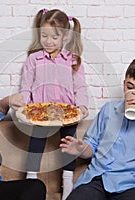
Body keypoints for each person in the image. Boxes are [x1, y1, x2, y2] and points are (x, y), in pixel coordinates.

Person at [60, 57, 135, 200]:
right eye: (130, 87)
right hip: (96, 180)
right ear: (124, 84)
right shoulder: (108, 110)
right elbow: (92, 146)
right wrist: (81, 149)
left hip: (130, 185)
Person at [19, 8, 88, 200]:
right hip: (40, 112)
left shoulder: (73, 61)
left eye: (54, 37)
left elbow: (80, 87)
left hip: (67, 113)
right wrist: (23, 106)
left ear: (65, 36)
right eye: (44, 36)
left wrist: (82, 106)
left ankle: (67, 184)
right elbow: (26, 86)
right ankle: (30, 179)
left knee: (69, 144)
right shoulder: (33, 59)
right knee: (35, 143)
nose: (48, 41)